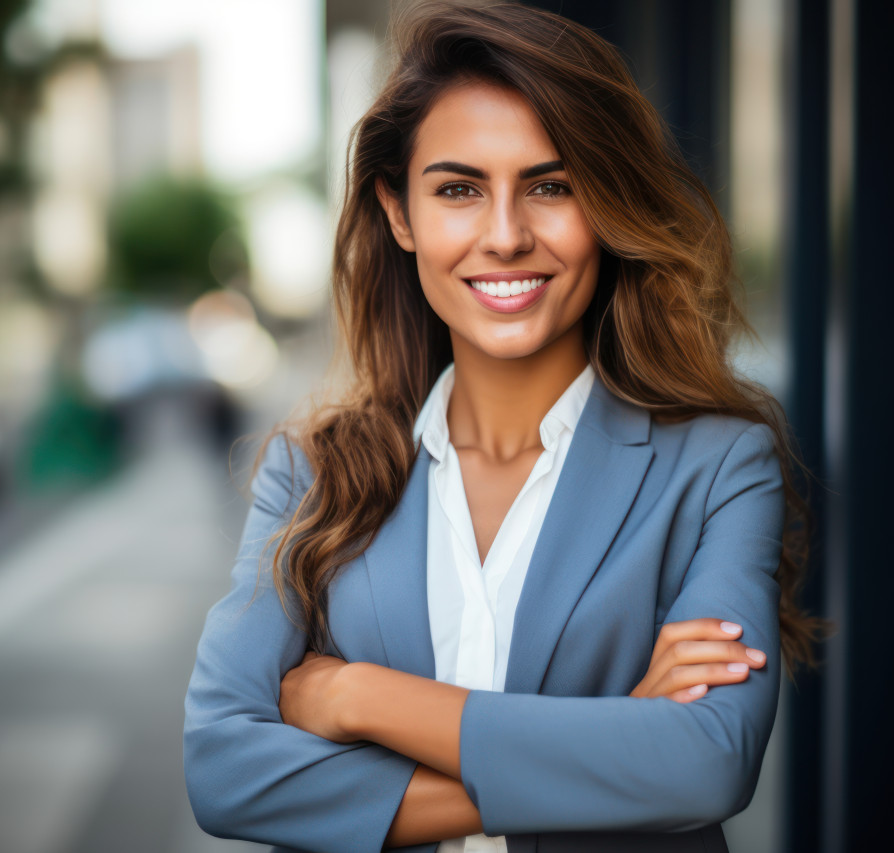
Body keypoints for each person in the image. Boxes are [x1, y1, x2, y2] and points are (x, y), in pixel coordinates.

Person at [183, 3, 823, 852]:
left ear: (606, 206)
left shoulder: (718, 467)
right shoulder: (313, 473)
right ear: (400, 214)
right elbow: (225, 771)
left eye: (552, 186)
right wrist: (613, 739)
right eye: (458, 190)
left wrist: (359, 697)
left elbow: (706, 764)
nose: (507, 235)